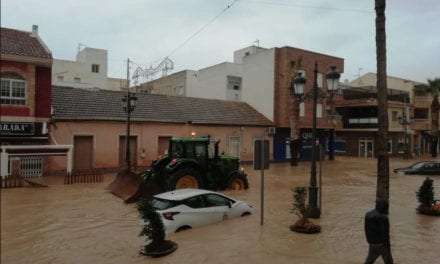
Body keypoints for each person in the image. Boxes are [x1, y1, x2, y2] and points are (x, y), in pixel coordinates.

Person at [364, 200, 394, 264]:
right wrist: (388, 245)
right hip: (382, 244)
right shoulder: (383, 218)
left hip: (371, 242)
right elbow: (385, 233)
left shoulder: (368, 214)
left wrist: (369, 241)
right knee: (389, 261)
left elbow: (366, 228)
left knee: (370, 260)